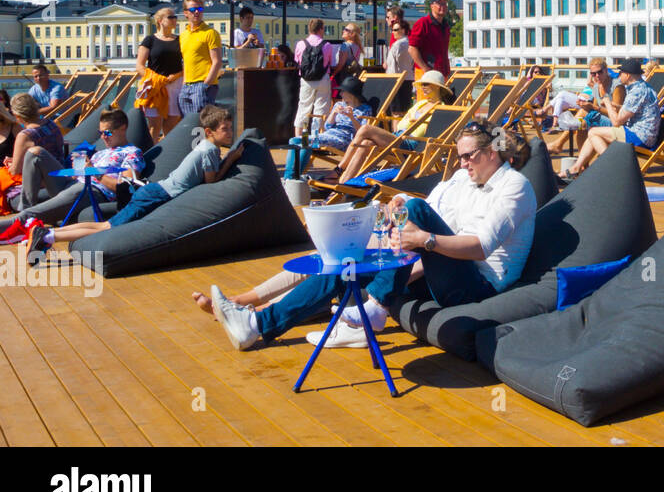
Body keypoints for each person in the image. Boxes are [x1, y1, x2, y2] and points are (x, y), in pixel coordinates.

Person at [209, 124, 537, 351]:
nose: (462, 163)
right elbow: (428, 211)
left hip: (477, 283)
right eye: (460, 156)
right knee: (349, 262)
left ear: (492, 152)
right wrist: (401, 206)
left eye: (469, 156)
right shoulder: (464, 180)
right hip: (440, 268)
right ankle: (256, 325)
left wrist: (423, 238)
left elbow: (479, 248)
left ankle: (375, 309)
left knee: (417, 217)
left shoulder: (514, 187)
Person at [26, 104, 243, 264]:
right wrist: (231, 160)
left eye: (230, 128)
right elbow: (212, 181)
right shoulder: (209, 150)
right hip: (156, 195)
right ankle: (47, 236)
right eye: (225, 129)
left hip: (153, 191)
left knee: (104, 225)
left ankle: (46, 234)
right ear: (209, 132)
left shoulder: (206, 148)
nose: (230, 133)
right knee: (106, 227)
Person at [0, 108, 145, 245]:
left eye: (106, 133)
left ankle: (21, 221)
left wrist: (94, 172)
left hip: (91, 191)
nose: (102, 137)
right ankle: (26, 208)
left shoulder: (132, 153)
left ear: (123, 128)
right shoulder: (101, 152)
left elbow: (124, 188)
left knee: (30, 213)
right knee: (35, 152)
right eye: (99, 132)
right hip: (72, 184)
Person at [334, 71, 453, 182]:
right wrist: (412, 121)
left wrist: (412, 121)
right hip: (399, 137)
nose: (422, 87)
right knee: (365, 143)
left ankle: (340, 168)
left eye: (425, 84)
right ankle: (344, 182)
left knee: (365, 129)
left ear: (437, 86)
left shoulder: (441, 108)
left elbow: (427, 131)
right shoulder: (421, 103)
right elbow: (402, 124)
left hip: (411, 145)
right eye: (421, 84)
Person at [560, 58, 660, 180]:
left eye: (621, 73)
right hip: (642, 132)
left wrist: (606, 100)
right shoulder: (643, 87)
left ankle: (614, 167)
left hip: (639, 136)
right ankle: (577, 168)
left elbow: (616, 122)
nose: (619, 75)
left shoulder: (636, 91)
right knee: (592, 131)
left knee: (592, 132)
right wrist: (617, 107)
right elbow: (632, 110)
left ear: (627, 75)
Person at [6, 94, 67, 211]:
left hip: (44, 185)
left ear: (17, 115)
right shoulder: (51, 124)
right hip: (61, 175)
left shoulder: (25, 135)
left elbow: (15, 171)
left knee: (9, 194)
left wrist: (11, 164)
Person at [135, 5, 184, 142]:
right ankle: (151, 155)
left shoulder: (180, 40)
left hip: (175, 85)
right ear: (160, 20)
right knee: (154, 126)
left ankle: (167, 157)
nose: (175, 19)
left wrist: (177, 75)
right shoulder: (150, 40)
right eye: (171, 17)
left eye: (175, 17)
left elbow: (187, 63)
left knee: (172, 125)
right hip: (155, 87)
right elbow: (139, 65)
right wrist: (154, 79)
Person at [178, 0, 223, 115]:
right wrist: (184, 83)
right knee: (189, 125)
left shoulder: (210, 33)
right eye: (193, 10)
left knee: (202, 124)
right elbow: (186, 61)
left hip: (203, 84)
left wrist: (206, 84)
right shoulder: (183, 36)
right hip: (186, 85)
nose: (197, 12)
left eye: (200, 9)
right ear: (186, 13)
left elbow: (217, 61)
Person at [293, 18, 336, 139]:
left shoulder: (300, 44)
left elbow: (297, 61)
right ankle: (317, 138)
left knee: (304, 107)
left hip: (306, 80)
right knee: (321, 108)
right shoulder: (327, 45)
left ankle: (300, 138)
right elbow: (330, 62)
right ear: (321, 29)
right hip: (323, 79)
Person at [312, 76, 371, 151]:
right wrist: (334, 113)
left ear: (351, 94)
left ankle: (299, 162)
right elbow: (327, 127)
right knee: (297, 141)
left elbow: (363, 132)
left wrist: (351, 117)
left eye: (342, 91)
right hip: (328, 135)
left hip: (344, 140)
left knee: (305, 141)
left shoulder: (365, 109)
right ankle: (302, 163)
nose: (340, 94)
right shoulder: (339, 105)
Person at [408, 0, 452, 78]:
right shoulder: (423, 23)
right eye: (440, 4)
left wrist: (447, 71)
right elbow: (412, 49)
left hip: (442, 73)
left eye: (445, 4)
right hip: (426, 74)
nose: (443, 6)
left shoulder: (445, 26)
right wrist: (425, 68)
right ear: (432, 6)